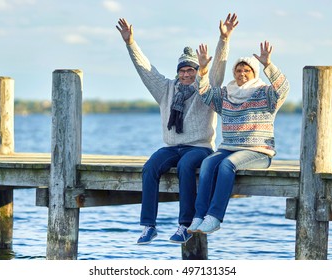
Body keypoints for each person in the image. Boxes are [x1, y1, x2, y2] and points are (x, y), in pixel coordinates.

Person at [115, 15, 238, 245]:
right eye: (182, 70)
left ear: (196, 70)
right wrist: (130, 43)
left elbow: (217, 71)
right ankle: (149, 226)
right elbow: (146, 69)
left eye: (190, 70)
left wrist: (224, 38)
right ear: (178, 72)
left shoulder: (204, 89)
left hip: (200, 148)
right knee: (150, 166)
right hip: (172, 146)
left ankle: (185, 225)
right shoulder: (166, 89)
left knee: (185, 166)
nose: (186, 74)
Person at [187, 39, 290, 235]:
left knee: (227, 165)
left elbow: (283, 88)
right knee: (209, 163)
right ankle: (199, 216)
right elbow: (204, 93)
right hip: (229, 147)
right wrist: (202, 70)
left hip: (258, 151)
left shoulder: (265, 93)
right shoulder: (226, 94)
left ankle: (214, 217)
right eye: (238, 71)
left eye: (246, 71)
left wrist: (268, 64)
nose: (242, 74)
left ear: (254, 73)